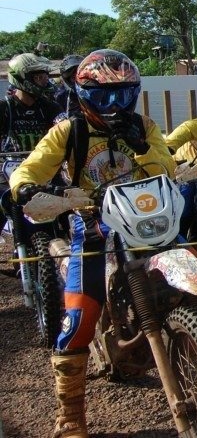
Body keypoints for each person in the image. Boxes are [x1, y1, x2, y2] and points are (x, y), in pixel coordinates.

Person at [10, 49, 174, 437]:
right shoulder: (69, 130)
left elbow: (167, 169)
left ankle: (187, 343)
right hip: (93, 222)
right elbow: (28, 170)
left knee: (190, 274)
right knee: (80, 316)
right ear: (84, 94)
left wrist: (142, 147)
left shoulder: (145, 126)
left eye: (123, 94)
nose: (116, 105)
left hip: (144, 218)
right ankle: (70, 416)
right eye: (105, 96)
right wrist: (26, 188)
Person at [1, 52, 63, 153]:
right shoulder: (4, 107)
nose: (45, 82)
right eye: (39, 77)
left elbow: (64, 136)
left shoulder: (51, 107)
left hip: (43, 165)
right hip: (9, 166)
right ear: (22, 78)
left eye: (46, 76)